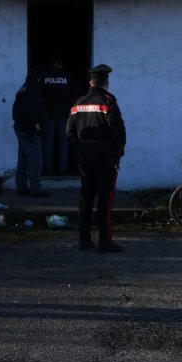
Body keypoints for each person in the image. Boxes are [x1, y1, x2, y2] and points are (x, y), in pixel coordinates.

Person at [66, 64, 127, 253]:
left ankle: (84, 240)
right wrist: (117, 152)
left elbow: (70, 133)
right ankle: (104, 241)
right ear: (106, 82)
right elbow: (118, 132)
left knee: (86, 199)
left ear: (90, 82)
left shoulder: (78, 104)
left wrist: (83, 147)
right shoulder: (108, 102)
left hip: (84, 157)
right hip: (105, 158)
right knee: (105, 201)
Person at [11, 73, 50, 197]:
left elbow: (17, 111)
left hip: (21, 128)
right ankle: (36, 189)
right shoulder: (33, 91)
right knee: (35, 160)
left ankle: (21, 186)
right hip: (30, 130)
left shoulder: (23, 89)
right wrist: (34, 125)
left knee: (23, 159)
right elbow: (33, 109)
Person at [41, 57, 78, 175]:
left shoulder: (44, 77)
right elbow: (77, 93)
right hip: (64, 114)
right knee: (63, 144)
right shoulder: (68, 77)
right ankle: (62, 169)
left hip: (48, 115)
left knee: (48, 143)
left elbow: (38, 95)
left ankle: (48, 170)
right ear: (62, 65)